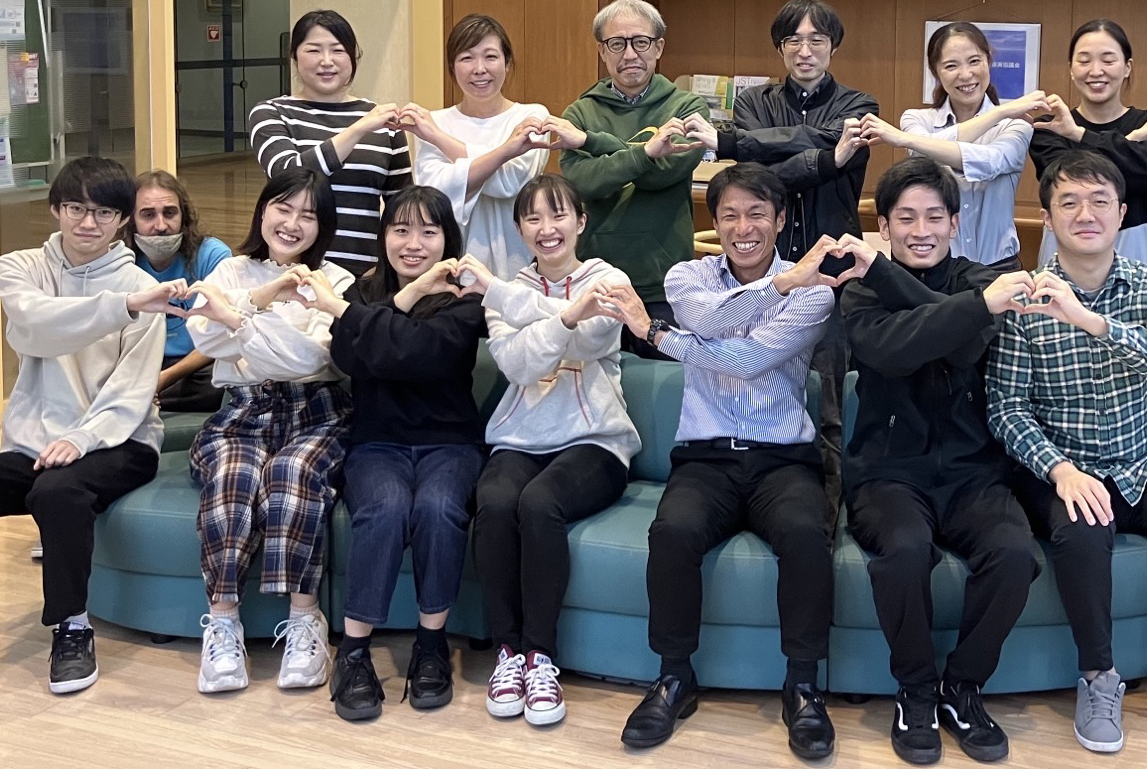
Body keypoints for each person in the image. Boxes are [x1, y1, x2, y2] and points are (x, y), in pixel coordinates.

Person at [986, 150, 1147, 754]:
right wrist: (1059, 470)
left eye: (1099, 201)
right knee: (1082, 533)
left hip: (1141, 460)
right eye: (1069, 203)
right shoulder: (1021, 302)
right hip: (1063, 468)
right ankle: (1099, 678)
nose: (1086, 215)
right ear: (1047, 218)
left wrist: (1088, 319)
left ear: (1122, 213)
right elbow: (1007, 409)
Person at [0, 158, 173, 702]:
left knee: (58, 491)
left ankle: (72, 627)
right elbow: (37, 327)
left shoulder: (142, 286)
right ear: (55, 209)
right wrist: (122, 308)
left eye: (103, 212)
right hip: (35, 445)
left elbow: (131, 392)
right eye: (76, 208)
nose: (87, 223)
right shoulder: (20, 268)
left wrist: (81, 439)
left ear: (121, 220)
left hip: (120, 440)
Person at [608, 164, 839, 759]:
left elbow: (746, 360)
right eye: (730, 215)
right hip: (704, 458)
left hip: (783, 458)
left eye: (757, 213)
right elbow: (710, 322)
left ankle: (803, 685)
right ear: (714, 222)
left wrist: (659, 336)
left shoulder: (814, 290)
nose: (743, 228)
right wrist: (776, 289)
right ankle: (673, 676)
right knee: (673, 531)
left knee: (806, 535)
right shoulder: (687, 276)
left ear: (780, 220)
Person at [840, 155, 1040, 764]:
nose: (920, 230)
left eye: (934, 216)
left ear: (955, 222)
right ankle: (917, 690)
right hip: (887, 473)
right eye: (905, 218)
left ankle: (963, 687)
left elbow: (964, 348)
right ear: (884, 226)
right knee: (903, 552)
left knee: (1014, 556)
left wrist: (971, 309)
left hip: (973, 472)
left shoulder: (980, 279)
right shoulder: (860, 288)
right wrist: (975, 308)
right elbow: (894, 350)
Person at [688, 0, 878, 519]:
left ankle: (830, 519)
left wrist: (747, 145)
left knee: (831, 405)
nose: (805, 50)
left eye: (817, 39)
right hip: (766, 279)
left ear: (834, 46)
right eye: (793, 39)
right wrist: (826, 158)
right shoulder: (754, 102)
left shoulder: (860, 104)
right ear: (779, 47)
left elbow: (764, 162)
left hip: (833, 278)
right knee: (766, 391)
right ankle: (772, 504)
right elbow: (762, 181)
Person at [308, 187, 488, 721]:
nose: (413, 244)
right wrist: (404, 297)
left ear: (447, 240)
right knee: (384, 509)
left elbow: (418, 355)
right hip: (376, 442)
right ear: (383, 236)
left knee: (438, 508)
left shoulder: (467, 299)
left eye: (428, 232)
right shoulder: (361, 290)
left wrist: (356, 319)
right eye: (401, 230)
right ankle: (354, 654)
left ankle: (431, 646)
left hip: (449, 442)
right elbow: (350, 357)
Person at [473, 174, 638, 729]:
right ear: (520, 230)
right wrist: (567, 314)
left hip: (596, 442)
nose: (547, 228)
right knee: (496, 502)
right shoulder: (506, 290)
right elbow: (518, 365)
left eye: (559, 215)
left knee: (539, 502)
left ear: (581, 222)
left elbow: (594, 340)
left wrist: (544, 316)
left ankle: (540, 656)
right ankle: (507, 652)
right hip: (520, 437)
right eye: (533, 218)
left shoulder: (609, 278)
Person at [184, 168, 355, 695]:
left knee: (292, 472)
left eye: (309, 215)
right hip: (242, 413)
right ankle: (223, 624)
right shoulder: (230, 270)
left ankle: (305, 620)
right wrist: (264, 298)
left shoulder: (336, 281)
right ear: (263, 210)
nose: (292, 223)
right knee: (232, 477)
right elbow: (204, 337)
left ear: (323, 226)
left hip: (318, 413)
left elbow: (311, 360)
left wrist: (238, 321)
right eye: (283, 208)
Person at [554, 0, 706, 359]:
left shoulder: (686, 108)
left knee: (665, 383)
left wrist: (592, 142)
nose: (630, 54)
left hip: (664, 283)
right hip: (595, 282)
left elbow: (664, 173)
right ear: (602, 51)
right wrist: (647, 152)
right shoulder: (580, 112)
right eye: (616, 43)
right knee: (593, 383)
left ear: (658, 47)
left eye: (640, 42)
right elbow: (584, 183)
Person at [409, 13, 584, 278]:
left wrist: (439, 139)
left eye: (490, 56)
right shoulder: (434, 122)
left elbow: (510, 181)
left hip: (522, 270)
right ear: (452, 67)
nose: (479, 68)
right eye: (467, 58)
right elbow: (437, 194)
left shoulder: (531, 116)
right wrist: (505, 151)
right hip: (454, 271)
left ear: (507, 63)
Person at [248, 9, 411, 273]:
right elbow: (287, 173)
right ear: (294, 56)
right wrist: (358, 129)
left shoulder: (383, 124)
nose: (326, 61)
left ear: (353, 57)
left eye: (338, 51)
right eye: (314, 50)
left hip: (364, 272)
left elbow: (401, 209)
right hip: (291, 270)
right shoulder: (271, 112)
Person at [864, 22, 1037, 271]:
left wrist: (904, 139)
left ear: (989, 61)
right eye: (951, 65)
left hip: (998, 269)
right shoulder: (916, 119)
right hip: (932, 270)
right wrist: (1000, 112)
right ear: (935, 71)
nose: (965, 75)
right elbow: (924, 154)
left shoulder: (1015, 124)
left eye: (974, 61)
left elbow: (990, 162)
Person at [1026, 19, 1147, 274]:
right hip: (1066, 242)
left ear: (1127, 67)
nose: (1096, 70)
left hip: (1140, 245)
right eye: (1084, 61)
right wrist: (1137, 139)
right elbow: (1067, 181)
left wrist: (1078, 135)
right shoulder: (1049, 127)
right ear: (1071, 69)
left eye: (1108, 60)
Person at [125, 169, 232, 412]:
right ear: (131, 220)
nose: (161, 225)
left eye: (169, 213)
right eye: (148, 215)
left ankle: (138, 398)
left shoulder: (213, 255)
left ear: (183, 216)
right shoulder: (120, 260)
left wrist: (163, 380)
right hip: (141, 362)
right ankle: (138, 395)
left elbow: (222, 336)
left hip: (196, 365)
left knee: (223, 381)